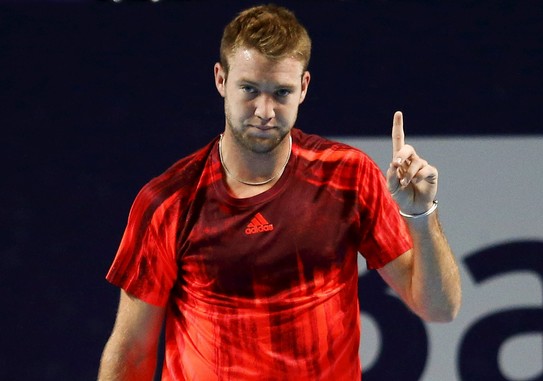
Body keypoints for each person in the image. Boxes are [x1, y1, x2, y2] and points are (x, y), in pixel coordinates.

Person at [98, 4, 461, 381]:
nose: (265, 110)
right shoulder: (169, 202)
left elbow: (440, 308)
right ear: (221, 79)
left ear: (303, 88)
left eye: (281, 92)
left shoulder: (348, 176)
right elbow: (132, 350)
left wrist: (421, 215)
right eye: (249, 89)